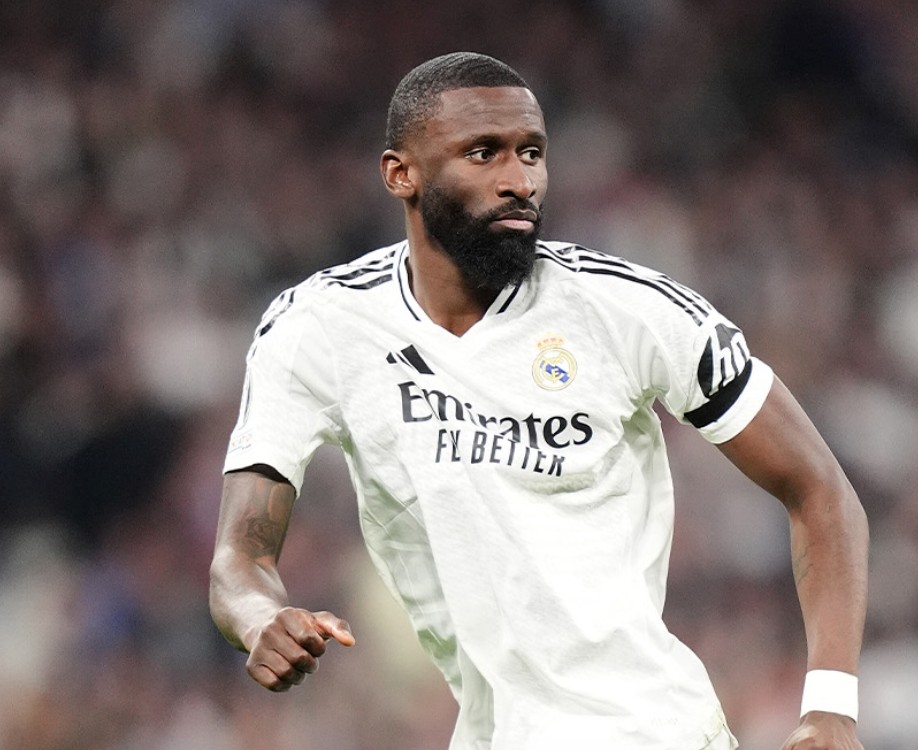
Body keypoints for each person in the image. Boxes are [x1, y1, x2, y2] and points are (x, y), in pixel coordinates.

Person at [209, 51, 868, 750]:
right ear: (401, 174)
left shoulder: (626, 309)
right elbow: (238, 559)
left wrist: (831, 708)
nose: (519, 181)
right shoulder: (320, 327)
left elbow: (819, 487)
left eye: (531, 153)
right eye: (483, 154)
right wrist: (260, 619)